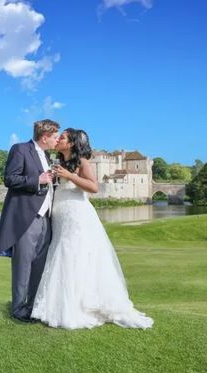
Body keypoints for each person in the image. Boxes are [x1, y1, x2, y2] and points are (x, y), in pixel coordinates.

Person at [31, 128, 153, 329]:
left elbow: (93, 187)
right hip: (60, 215)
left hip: (76, 214)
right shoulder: (59, 161)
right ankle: (59, 305)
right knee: (61, 254)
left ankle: (79, 307)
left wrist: (69, 176)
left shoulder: (82, 162)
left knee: (72, 254)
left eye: (62, 137)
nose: (59, 139)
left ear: (71, 143)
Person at [0, 119, 60, 323]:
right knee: (23, 265)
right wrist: (36, 181)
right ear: (45, 136)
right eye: (55, 137)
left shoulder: (48, 156)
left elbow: (48, 184)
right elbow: (9, 178)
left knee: (39, 264)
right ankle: (18, 309)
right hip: (26, 217)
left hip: (46, 219)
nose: (57, 140)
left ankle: (33, 306)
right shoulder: (20, 149)